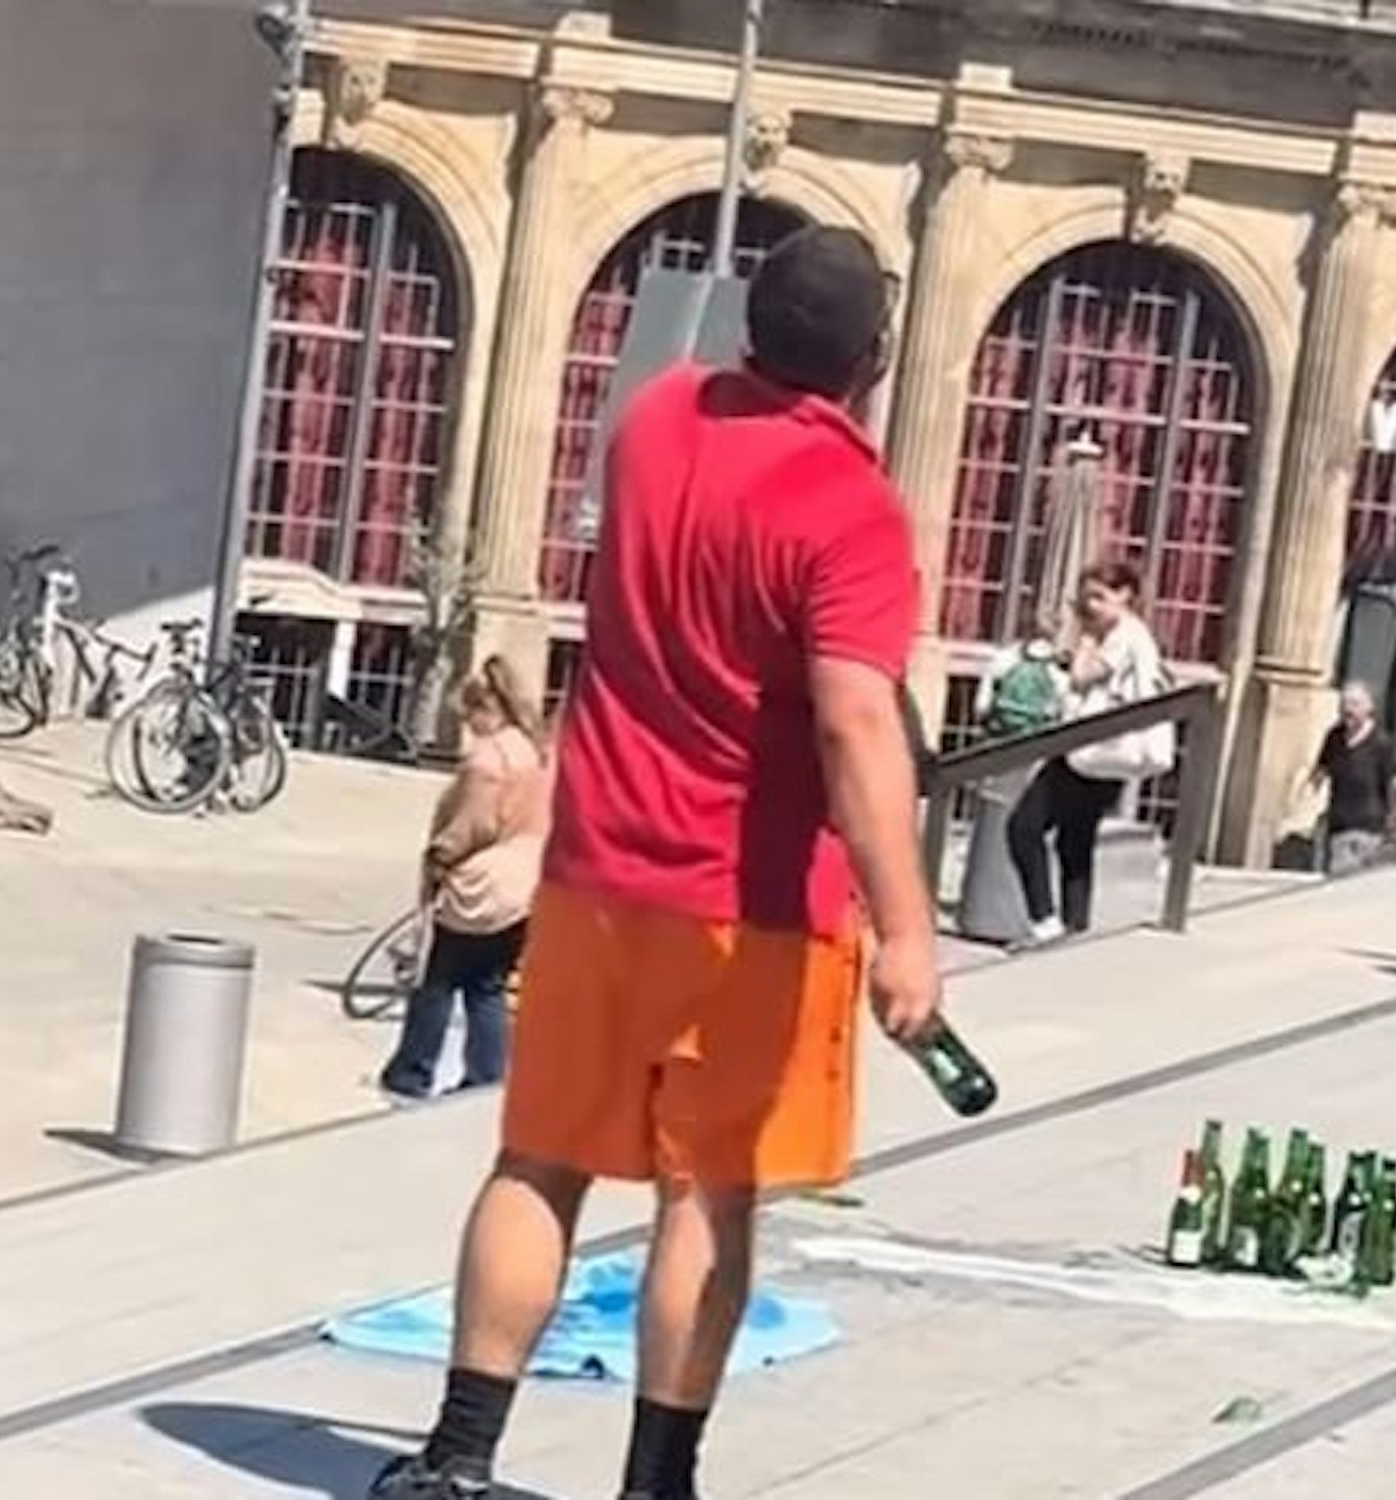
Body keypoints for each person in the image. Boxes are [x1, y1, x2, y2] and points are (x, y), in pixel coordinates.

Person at [368, 226, 941, 1500]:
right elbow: (853, 722)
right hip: (745, 906)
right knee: (708, 1193)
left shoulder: (653, 423)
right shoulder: (848, 511)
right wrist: (906, 926)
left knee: (538, 1162)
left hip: (592, 876)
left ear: (748, 328)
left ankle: (457, 1460)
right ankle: (655, 1483)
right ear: (871, 361)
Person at [377, 658, 549, 1101]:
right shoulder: (534, 751)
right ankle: (486, 1077)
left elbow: (473, 824)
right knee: (486, 985)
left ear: (481, 708)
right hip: (525, 883)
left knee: (437, 981)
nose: (467, 725)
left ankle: (411, 1071)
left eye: (468, 714)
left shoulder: (488, 761)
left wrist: (441, 856)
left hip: (481, 885)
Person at [1006, 561, 1164, 946]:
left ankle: (1045, 920)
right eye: (1087, 597)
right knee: (1075, 838)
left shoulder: (1125, 635)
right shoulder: (1133, 636)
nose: (1091, 606)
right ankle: (1075, 924)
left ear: (1126, 596)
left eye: (1100, 597)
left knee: (1024, 827)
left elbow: (1082, 676)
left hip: (1091, 744)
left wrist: (1087, 639)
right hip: (1103, 752)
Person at [1309, 681, 1396, 876]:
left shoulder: (1380, 744)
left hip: (1371, 832)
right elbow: (1319, 774)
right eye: (1344, 704)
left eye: (1354, 704)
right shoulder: (1334, 738)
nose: (1347, 710)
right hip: (1339, 829)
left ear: (1369, 708)